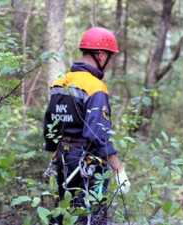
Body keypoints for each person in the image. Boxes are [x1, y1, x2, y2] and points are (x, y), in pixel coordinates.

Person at [43, 27, 130, 225]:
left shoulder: (61, 82)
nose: (109, 61)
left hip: (63, 159)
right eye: (109, 56)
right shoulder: (95, 87)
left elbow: (50, 124)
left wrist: (54, 153)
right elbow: (97, 134)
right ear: (100, 54)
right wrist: (118, 169)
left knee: (65, 211)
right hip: (87, 161)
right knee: (92, 215)